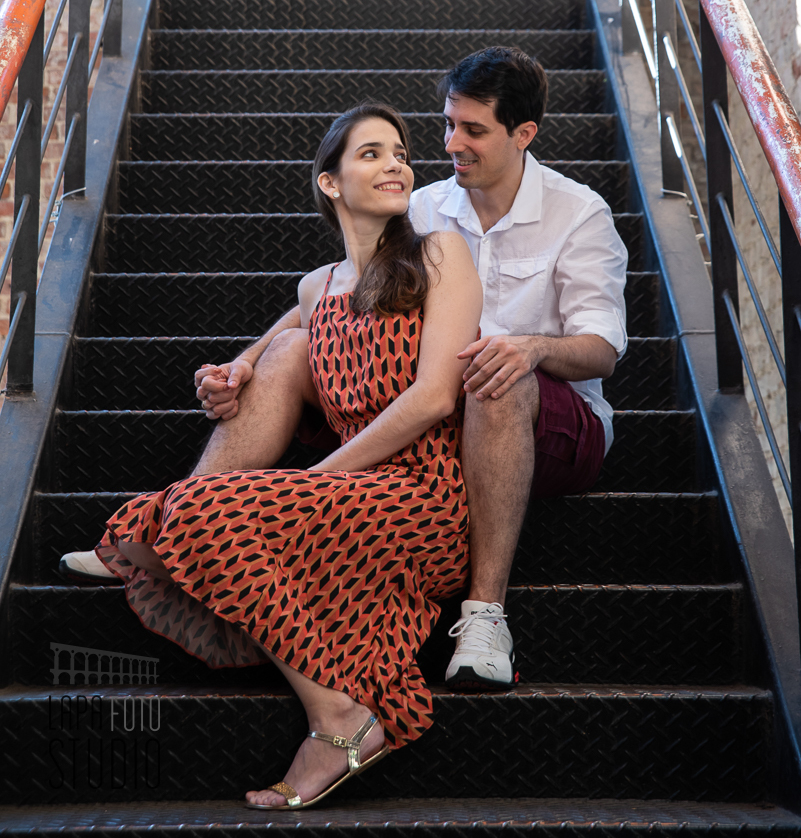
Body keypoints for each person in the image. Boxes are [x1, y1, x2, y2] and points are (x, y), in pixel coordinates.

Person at [63, 46, 628, 692]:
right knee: (293, 350)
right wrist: (243, 362)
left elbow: (601, 349)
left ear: (523, 133)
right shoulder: (424, 207)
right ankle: (175, 526)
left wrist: (529, 348)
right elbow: (332, 297)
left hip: (546, 421)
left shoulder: (577, 212)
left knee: (492, 371)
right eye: (447, 124)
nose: (450, 144)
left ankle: (484, 616)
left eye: (472, 130)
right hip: (434, 424)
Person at [88, 103, 482, 809]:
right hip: (349, 499)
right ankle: (337, 711)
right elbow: (292, 327)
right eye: (371, 153)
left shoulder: (439, 254)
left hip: (422, 496)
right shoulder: (317, 286)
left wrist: (314, 483)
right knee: (193, 522)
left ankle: (336, 719)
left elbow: (433, 398)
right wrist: (241, 363)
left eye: (399, 153)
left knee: (200, 518)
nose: (395, 164)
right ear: (329, 182)